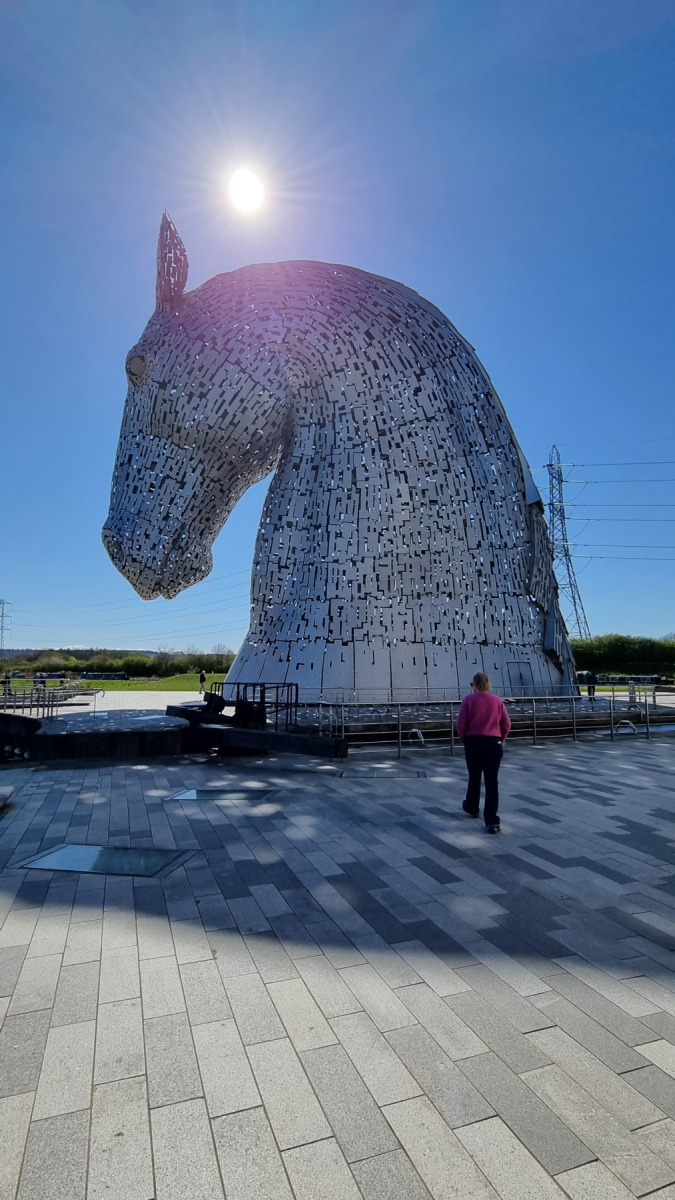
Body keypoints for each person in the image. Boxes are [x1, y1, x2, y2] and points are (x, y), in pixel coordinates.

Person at [456, 672, 511, 833]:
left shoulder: (468, 700)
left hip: (473, 743)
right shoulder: (497, 700)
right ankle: (492, 821)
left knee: (474, 777)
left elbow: (461, 724)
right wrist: (501, 738)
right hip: (493, 743)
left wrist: (464, 737)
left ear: (474, 685)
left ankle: (472, 807)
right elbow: (506, 724)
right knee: (492, 782)